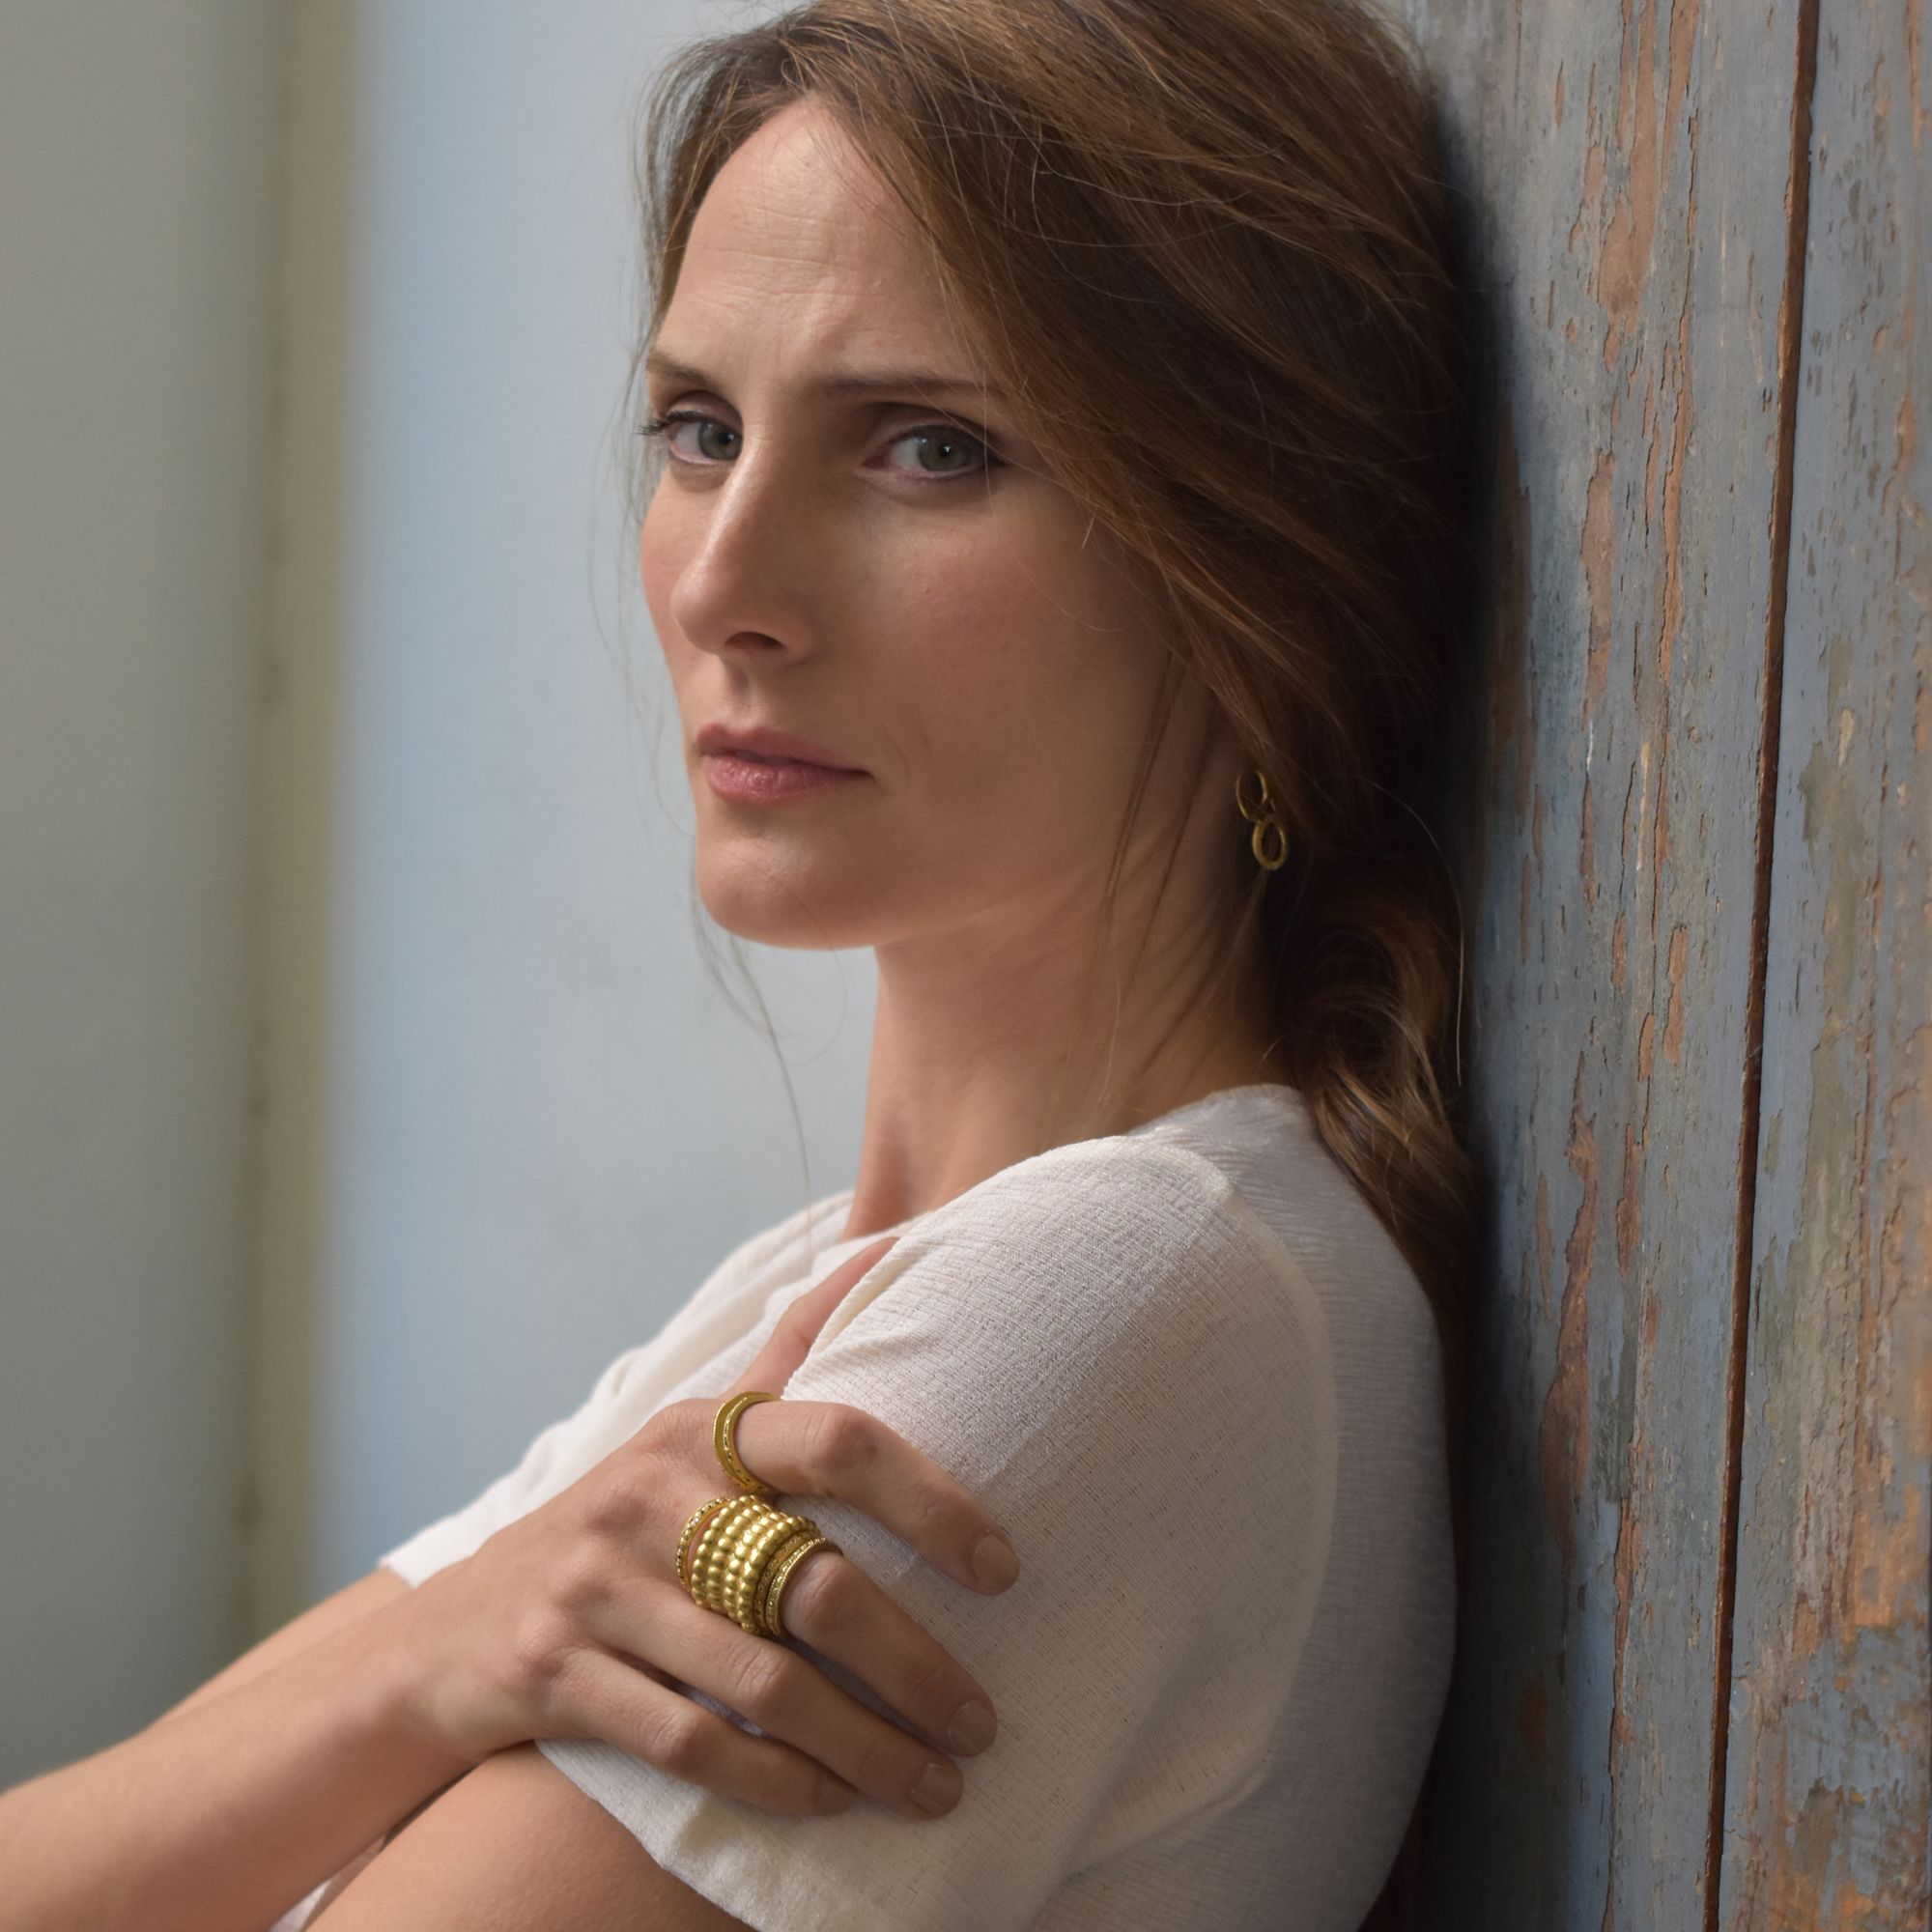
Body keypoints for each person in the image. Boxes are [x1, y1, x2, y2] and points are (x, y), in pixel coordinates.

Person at [0, 1, 1481, 1925]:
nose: (723, 583)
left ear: (1253, 570)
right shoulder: (803, 1296)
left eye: (931, 448)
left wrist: (433, 1659)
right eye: (699, 430)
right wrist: (434, 1647)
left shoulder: (1112, 1302)